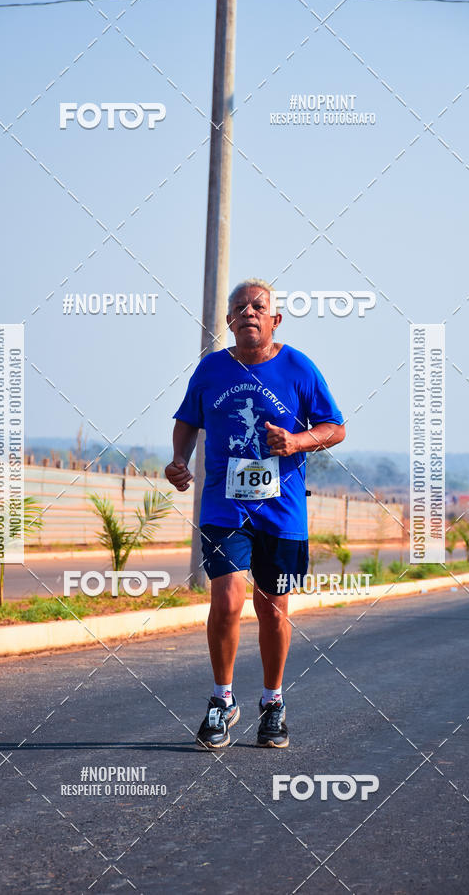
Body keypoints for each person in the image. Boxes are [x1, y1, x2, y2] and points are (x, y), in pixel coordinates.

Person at [165, 279, 345, 749]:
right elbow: (187, 420)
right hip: (224, 505)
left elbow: (336, 427)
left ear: (274, 320)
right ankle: (222, 700)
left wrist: (298, 441)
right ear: (228, 321)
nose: (248, 312)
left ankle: (272, 702)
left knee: (272, 610)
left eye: (258, 306)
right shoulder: (211, 370)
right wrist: (180, 460)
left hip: (282, 509)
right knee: (226, 601)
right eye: (239, 307)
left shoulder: (299, 368)